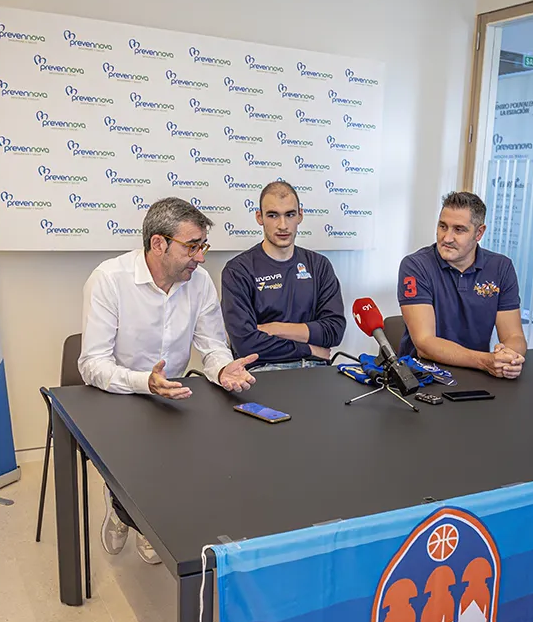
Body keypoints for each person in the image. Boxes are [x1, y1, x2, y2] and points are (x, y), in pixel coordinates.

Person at [79, 197, 258, 563]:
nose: (201, 257)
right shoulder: (109, 280)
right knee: (132, 467)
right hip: (117, 394)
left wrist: (223, 368)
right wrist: (143, 382)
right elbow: (92, 364)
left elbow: (212, 346)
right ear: (158, 243)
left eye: (203, 246)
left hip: (172, 394)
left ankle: (150, 523)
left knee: (187, 463)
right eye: (192, 247)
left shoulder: (199, 282)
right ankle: (123, 512)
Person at [396, 191, 526, 379]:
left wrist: (509, 358)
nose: (447, 238)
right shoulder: (415, 266)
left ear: (479, 233)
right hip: (424, 376)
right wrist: (486, 361)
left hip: (478, 375)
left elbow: (514, 336)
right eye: (443, 226)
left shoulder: (501, 267)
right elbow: (424, 343)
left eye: (459, 230)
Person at [221, 180, 346, 369]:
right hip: (264, 370)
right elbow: (246, 344)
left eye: (290, 215)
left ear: (300, 216)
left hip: (315, 368)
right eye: (273, 215)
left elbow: (334, 331)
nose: (283, 225)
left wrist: (274, 328)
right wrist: (308, 349)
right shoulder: (238, 270)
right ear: (259, 217)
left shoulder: (319, 265)